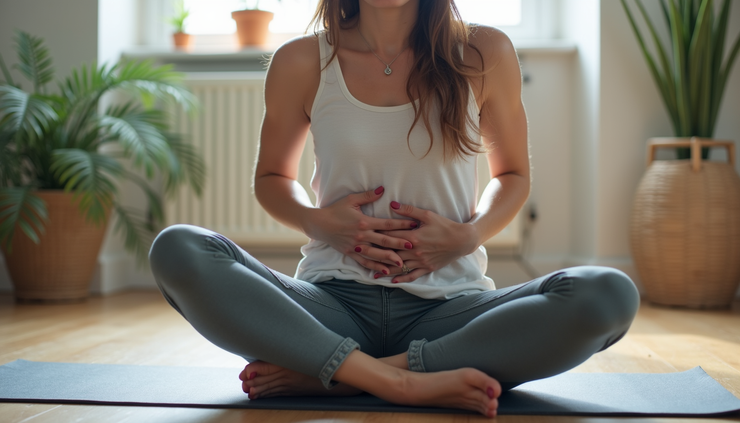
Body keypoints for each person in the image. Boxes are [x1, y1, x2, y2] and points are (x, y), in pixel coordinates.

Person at [149, 0, 640, 418]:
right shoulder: (301, 61)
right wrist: (320, 221)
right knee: (177, 248)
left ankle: (340, 374)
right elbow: (272, 180)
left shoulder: (483, 53)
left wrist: (469, 236)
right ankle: (404, 382)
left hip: (451, 312)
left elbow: (512, 176)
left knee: (609, 294)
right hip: (331, 308)